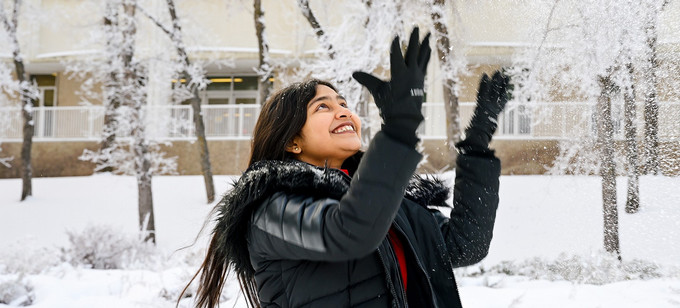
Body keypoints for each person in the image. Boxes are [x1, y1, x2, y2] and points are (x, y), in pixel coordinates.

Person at [184, 27, 510, 308]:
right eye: (322, 107)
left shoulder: (386, 204)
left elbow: (464, 246)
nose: (343, 111)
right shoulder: (271, 210)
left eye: (343, 103)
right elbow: (348, 231)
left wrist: (477, 145)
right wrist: (399, 129)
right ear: (292, 142)